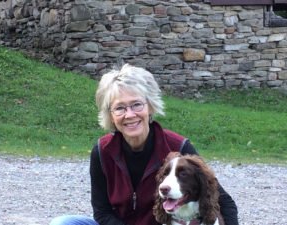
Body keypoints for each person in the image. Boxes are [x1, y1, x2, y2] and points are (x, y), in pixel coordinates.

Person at [50, 64, 239, 225]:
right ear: (111, 115)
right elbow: (101, 212)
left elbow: (224, 202)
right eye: (120, 108)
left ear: (149, 106)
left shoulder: (178, 147)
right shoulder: (102, 151)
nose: (130, 114)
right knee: (63, 223)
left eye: (136, 105)